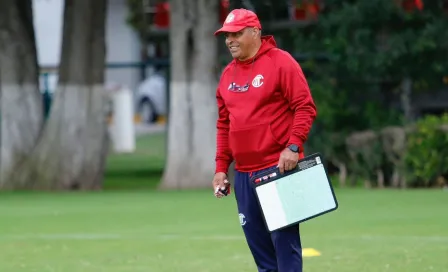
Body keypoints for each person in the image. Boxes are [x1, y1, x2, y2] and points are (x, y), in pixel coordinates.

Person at [211, 8, 318, 272]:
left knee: (285, 247)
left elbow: (305, 107)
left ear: (255, 32)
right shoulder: (227, 75)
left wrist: (293, 146)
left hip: (278, 170)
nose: (230, 40)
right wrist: (221, 168)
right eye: (227, 35)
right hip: (244, 177)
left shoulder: (281, 62)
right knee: (262, 257)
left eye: (236, 33)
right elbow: (224, 124)